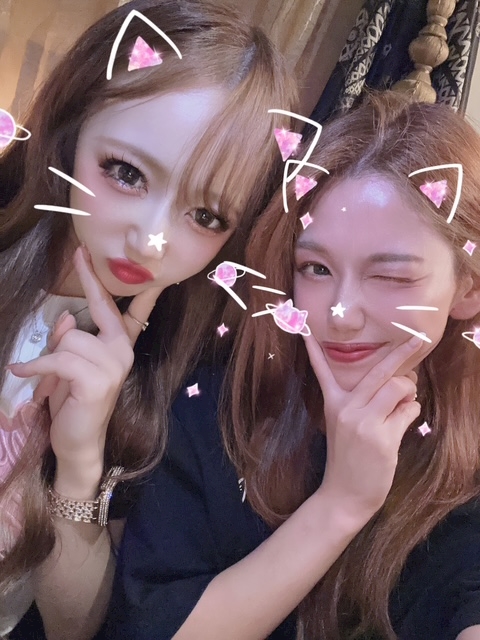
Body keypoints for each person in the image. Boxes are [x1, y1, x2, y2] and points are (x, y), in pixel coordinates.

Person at [101, 92, 480, 640]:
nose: (341, 316)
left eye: (392, 276)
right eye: (316, 268)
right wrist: (341, 503)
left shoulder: (465, 459)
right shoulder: (218, 402)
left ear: (468, 288)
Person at [0, 0, 297, 636]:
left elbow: (73, 627)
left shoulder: (181, 379)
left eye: (206, 216)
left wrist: (79, 459)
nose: (150, 242)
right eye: (127, 173)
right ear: (72, 125)